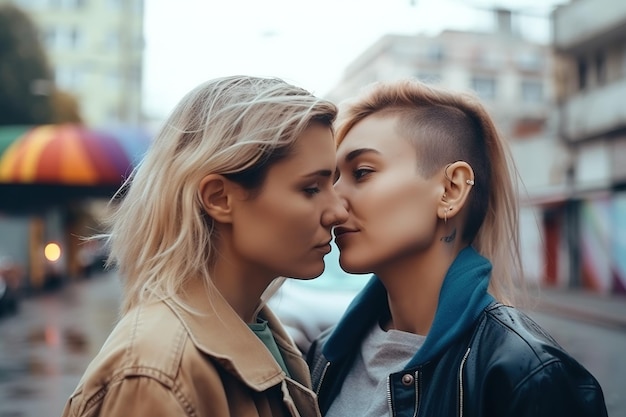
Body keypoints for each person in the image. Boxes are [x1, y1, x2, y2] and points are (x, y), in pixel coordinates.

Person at [307, 79, 608, 417]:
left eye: (361, 173)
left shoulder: (526, 374)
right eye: (333, 179)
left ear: (451, 190)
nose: (333, 203)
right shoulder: (322, 356)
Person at [62, 75, 348, 417]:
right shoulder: (156, 370)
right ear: (219, 198)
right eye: (311, 189)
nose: (338, 211)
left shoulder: (260, 333)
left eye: (334, 184)